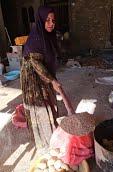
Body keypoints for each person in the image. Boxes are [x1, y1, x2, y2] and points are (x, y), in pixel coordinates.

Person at [21, 6, 74, 149]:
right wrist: (52, 80)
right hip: (33, 77)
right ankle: (44, 142)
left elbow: (49, 59)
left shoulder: (48, 36)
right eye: (47, 20)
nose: (51, 23)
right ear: (41, 20)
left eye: (53, 20)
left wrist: (52, 80)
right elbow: (36, 64)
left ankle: (52, 132)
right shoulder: (36, 39)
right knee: (40, 106)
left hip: (44, 74)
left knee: (50, 100)